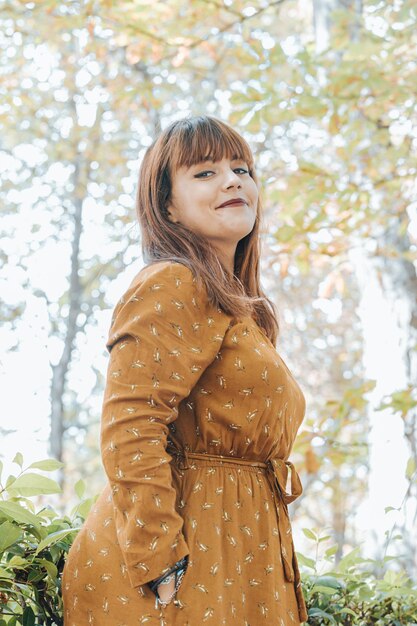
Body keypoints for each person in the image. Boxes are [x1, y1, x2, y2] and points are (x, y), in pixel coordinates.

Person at [62, 115, 308, 625]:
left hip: (241, 549)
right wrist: (158, 555)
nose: (233, 179)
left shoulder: (243, 311)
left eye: (241, 168)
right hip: (182, 562)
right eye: (205, 172)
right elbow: (130, 424)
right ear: (167, 205)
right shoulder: (174, 282)